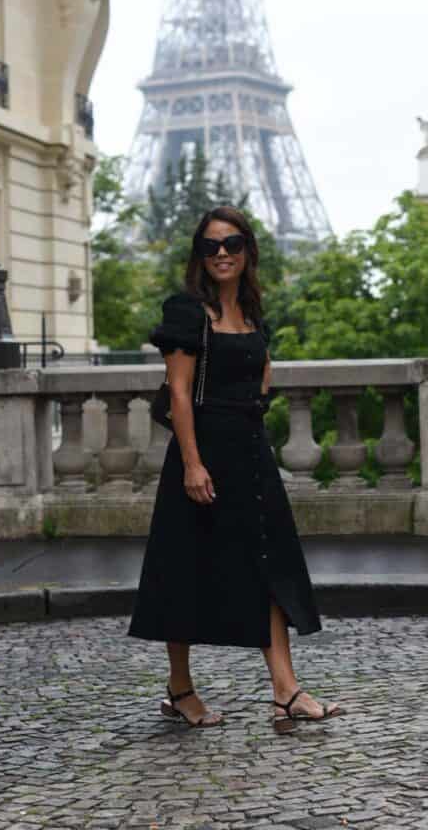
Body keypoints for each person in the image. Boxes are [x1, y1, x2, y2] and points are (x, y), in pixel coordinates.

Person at [127, 205, 343, 733]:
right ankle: (180, 688)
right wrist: (194, 464)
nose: (221, 254)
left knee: (271, 565)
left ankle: (285, 690)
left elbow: (262, 378)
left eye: (232, 244)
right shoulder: (187, 312)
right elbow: (178, 392)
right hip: (201, 455)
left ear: (248, 251)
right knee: (185, 570)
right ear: (199, 256)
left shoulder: (251, 313)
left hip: (249, 452)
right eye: (210, 246)